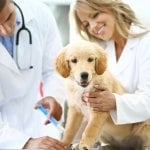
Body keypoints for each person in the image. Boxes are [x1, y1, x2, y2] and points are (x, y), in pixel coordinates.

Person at [69, 0, 150, 147]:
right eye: (86, 24)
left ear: (112, 6)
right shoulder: (99, 52)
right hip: (112, 140)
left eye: (95, 15)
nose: (92, 27)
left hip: (144, 136)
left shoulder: (146, 42)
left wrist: (114, 102)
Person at [0, 0, 66, 149]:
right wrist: (23, 143)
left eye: (8, 17)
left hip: (40, 123)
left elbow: (54, 69)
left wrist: (54, 96)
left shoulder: (39, 14)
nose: (6, 30)